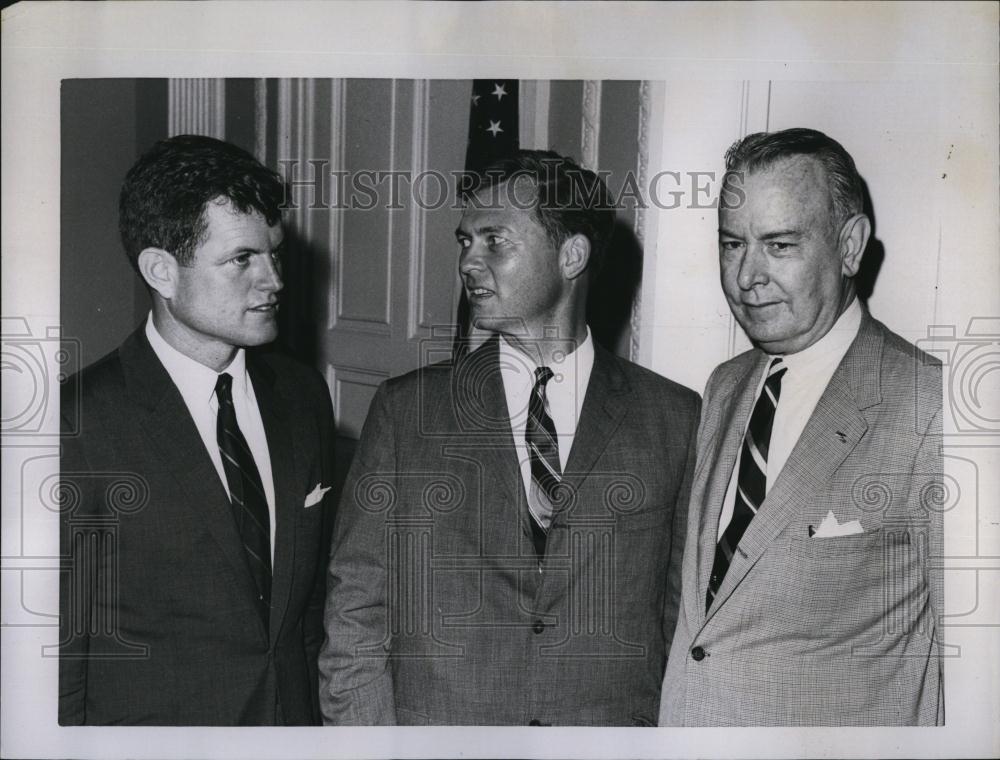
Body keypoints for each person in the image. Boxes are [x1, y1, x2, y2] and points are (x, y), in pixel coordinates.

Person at [319, 150, 700, 726]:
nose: (469, 262)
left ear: (571, 255)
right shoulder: (407, 411)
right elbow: (355, 611)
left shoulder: (672, 416)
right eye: (464, 242)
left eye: (495, 241)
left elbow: (680, 620)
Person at [659, 128, 944, 726]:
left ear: (850, 246)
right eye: (732, 244)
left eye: (780, 245)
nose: (747, 277)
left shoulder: (931, 408)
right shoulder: (725, 385)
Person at [58, 135, 336, 725]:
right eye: (242, 259)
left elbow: (308, 612)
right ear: (161, 270)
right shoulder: (73, 424)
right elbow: (58, 660)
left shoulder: (302, 394)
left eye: (274, 254)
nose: (274, 281)